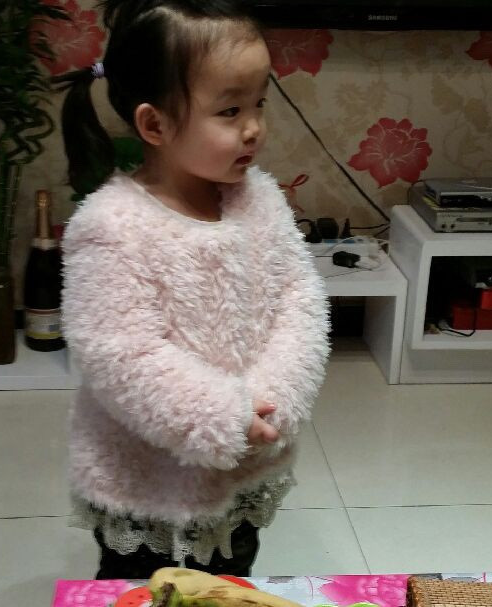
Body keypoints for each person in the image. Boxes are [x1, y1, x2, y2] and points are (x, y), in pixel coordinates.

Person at [55, 0, 330, 580]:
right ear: (154, 125)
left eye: (259, 103)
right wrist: (222, 416)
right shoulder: (111, 227)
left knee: (230, 577)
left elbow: (299, 300)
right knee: (147, 587)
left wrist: (275, 397)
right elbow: (120, 357)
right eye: (230, 110)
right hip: (148, 484)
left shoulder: (259, 199)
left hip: (249, 459)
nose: (253, 127)